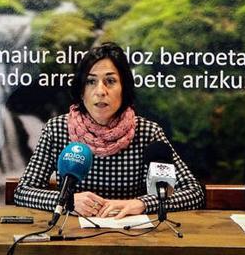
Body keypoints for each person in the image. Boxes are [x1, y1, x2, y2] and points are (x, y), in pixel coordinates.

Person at [14, 43, 204, 219]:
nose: (100, 91)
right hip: (73, 237)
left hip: (132, 237)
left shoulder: (148, 133)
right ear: (81, 91)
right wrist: (68, 201)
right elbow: (23, 191)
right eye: (90, 82)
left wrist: (142, 203)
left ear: (124, 88)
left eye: (110, 81)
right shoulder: (57, 129)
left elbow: (193, 193)